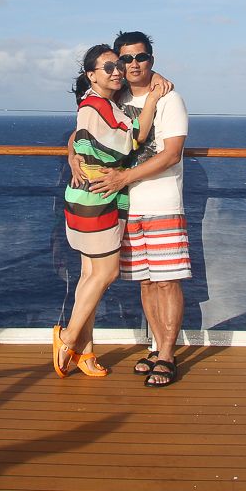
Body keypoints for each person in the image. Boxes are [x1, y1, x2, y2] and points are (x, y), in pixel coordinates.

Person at [76, 31, 189, 387]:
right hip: (126, 206)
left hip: (162, 202)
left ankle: (167, 354)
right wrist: (73, 156)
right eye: (125, 59)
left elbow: (172, 154)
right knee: (146, 282)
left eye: (141, 57)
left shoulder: (169, 99)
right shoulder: (116, 97)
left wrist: (124, 177)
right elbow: (83, 128)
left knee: (166, 281)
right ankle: (156, 348)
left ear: (151, 60)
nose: (133, 64)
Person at [54, 44, 164, 378]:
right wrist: (153, 99)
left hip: (87, 197)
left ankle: (84, 351)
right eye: (108, 67)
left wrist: (73, 155)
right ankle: (68, 338)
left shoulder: (99, 104)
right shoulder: (96, 105)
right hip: (97, 200)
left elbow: (77, 138)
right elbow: (134, 138)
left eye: (118, 65)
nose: (117, 71)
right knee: (106, 274)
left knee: (90, 275)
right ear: (91, 75)